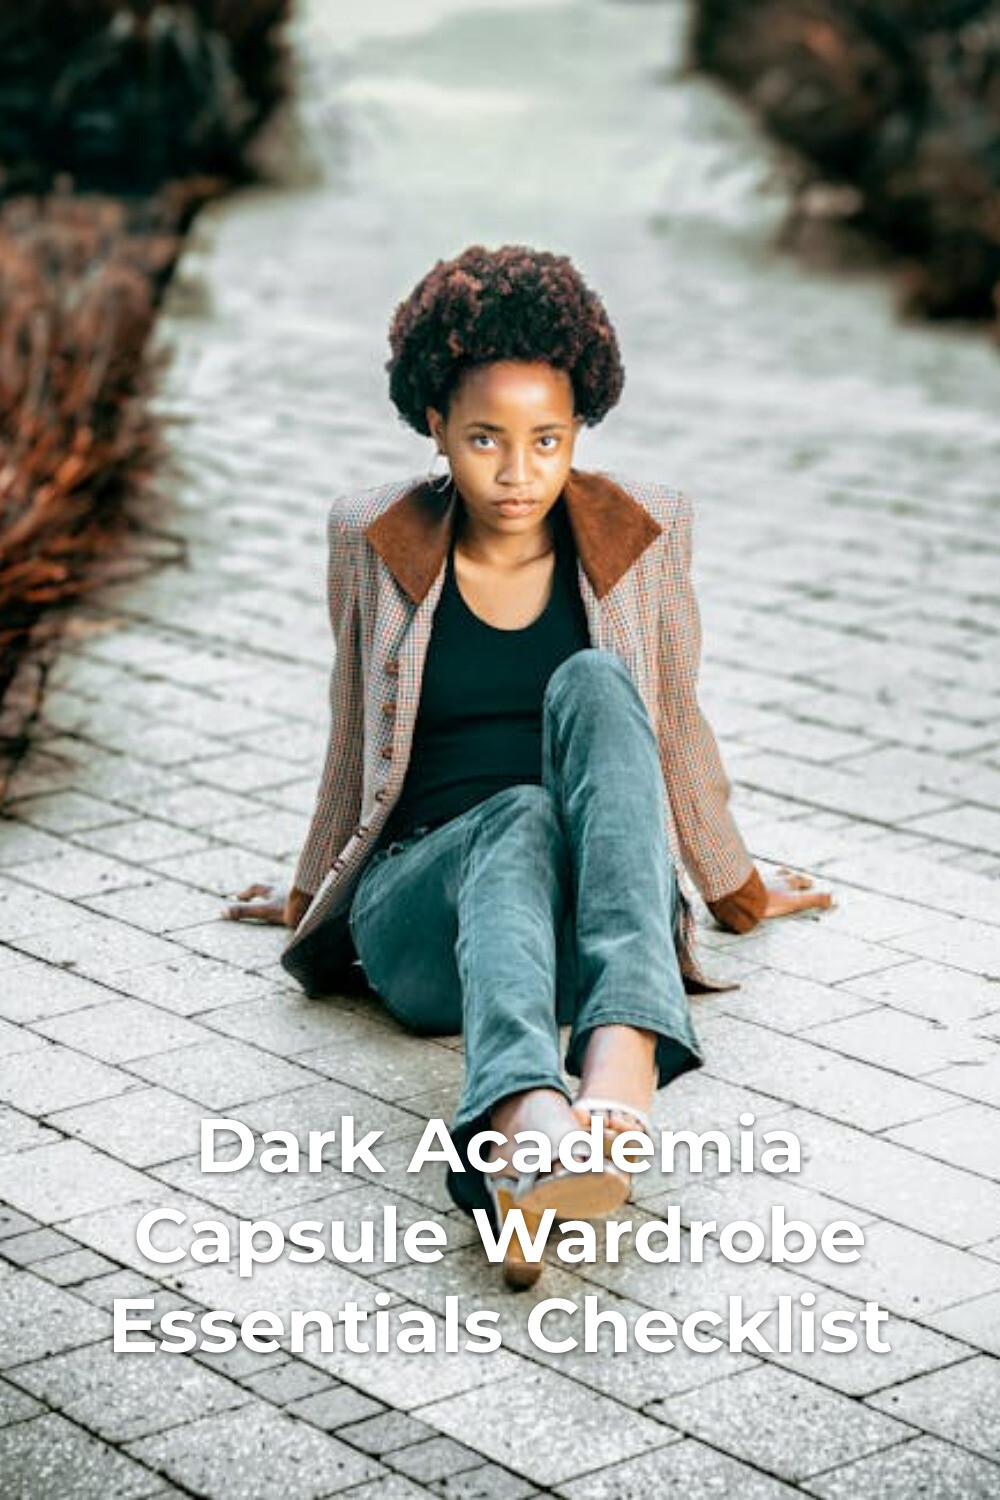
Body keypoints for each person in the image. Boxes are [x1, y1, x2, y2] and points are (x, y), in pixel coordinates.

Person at [225, 244, 831, 1287]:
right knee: (517, 813)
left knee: (601, 682)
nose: (518, 473)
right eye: (485, 440)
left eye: (547, 440)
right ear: (434, 426)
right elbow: (349, 734)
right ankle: (528, 1114)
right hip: (427, 916)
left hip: (586, 918)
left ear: (579, 427)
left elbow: (674, 724)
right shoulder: (371, 537)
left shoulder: (647, 532)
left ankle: (609, 1061)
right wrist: (306, 893)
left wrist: (736, 888)